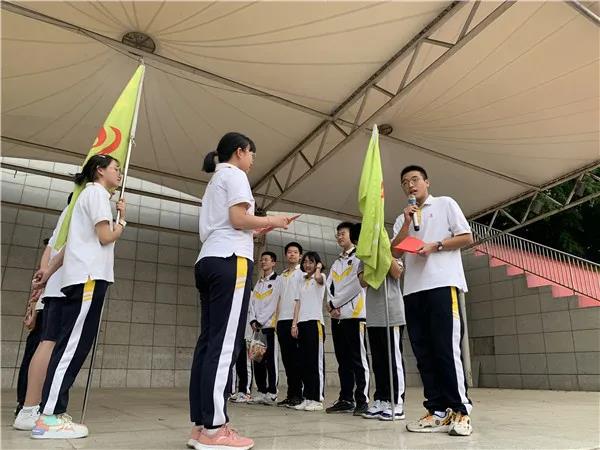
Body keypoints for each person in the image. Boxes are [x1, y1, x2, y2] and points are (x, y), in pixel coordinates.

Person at [187, 132, 292, 450]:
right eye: (251, 154)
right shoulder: (235, 175)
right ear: (240, 152)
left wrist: (257, 226)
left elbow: (232, 222)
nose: (252, 161)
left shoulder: (215, 181)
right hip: (230, 261)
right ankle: (215, 428)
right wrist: (275, 219)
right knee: (224, 345)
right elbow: (237, 218)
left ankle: (202, 424)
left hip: (209, 259)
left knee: (208, 342)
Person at [31, 155, 126, 439]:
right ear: (100, 171)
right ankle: (49, 417)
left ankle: (52, 412)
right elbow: (106, 236)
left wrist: (48, 272)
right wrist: (122, 220)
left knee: (73, 345)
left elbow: (71, 244)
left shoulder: (87, 197)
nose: (119, 174)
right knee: (71, 347)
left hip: (84, 278)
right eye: (115, 169)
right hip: (88, 278)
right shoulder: (96, 195)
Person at [392, 165, 474, 437]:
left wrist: (436, 245)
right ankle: (437, 410)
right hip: (413, 291)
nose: (410, 185)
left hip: (442, 284)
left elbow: (466, 236)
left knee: (446, 350)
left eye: (415, 179)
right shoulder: (402, 218)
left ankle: (460, 411)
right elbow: (394, 251)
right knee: (424, 353)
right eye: (405, 182)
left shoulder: (445, 204)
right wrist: (407, 223)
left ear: (426, 182)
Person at [14, 196, 71, 431]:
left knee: (41, 346)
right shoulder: (75, 213)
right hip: (58, 292)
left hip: (49, 293)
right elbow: (47, 264)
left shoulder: (62, 222)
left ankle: (27, 405)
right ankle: (31, 406)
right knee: (46, 346)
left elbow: (44, 263)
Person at [355, 224, 407, 422]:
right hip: (374, 314)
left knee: (392, 359)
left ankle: (396, 401)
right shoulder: (364, 257)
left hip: (391, 312)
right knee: (378, 360)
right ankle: (382, 399)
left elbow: (396, 272)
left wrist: (385, 252)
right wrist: (373, 259)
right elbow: (363, 281)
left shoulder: (393, 253)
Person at [325, 222, 370, 416]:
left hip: (355, 315)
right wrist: (330, 304)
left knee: (358, 359)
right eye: (337, 234)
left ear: (352, 235)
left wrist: (336, 303)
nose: (339, 237)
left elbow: (356, 285)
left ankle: (362, 400)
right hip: (338, 317)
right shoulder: (337, 262)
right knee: (343, 360)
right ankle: (345, 399)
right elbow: (329, 284)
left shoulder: (360, 257)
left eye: (342, 233)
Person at [291, 251, 326, 412]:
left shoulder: (321, 277)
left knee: (314, 362)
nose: (307, 265)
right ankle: (308, 397)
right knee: (304, 362)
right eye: (305, 262)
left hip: (315, 322)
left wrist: (318, 268)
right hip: (302, 323)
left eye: (311, 262)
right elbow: (297, 303)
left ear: (317, 263)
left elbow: (319, 278)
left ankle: (317, 399)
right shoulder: (301, 280)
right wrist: (294, 324)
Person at [249, 251, 282, 405]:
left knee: (270, 361)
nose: (263, 262)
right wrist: (253, 320)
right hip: (257, 328)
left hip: (269, 327)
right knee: (257, 359)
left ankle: (272, 392)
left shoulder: (278, 281)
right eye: (262, 260)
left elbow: (274, 304)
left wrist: (260, 320)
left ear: (273, 263)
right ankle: (262, 391)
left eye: (266, 260)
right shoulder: (259, 282)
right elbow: (252, 302)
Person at [275, 242, 304, 408]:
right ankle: (291, 394)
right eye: (289, 252)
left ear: (300, 256)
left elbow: (300, 299)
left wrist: (295, 322)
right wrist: (277, 321)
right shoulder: (282, 275)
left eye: (295, 252)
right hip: (282, 321)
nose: (292, 254)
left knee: (296, 359)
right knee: (286, 360)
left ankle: (298, 394)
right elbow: (278, 298)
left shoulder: (302, 274)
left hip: (295, 321)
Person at [229, 299, 254, 404]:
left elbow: (252, 315)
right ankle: (233, 391)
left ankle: (245, 391)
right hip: (236, 335)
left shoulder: (250, 296)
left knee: (246, 365)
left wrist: (251, 336)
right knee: (235, 365)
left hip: (246, 335)